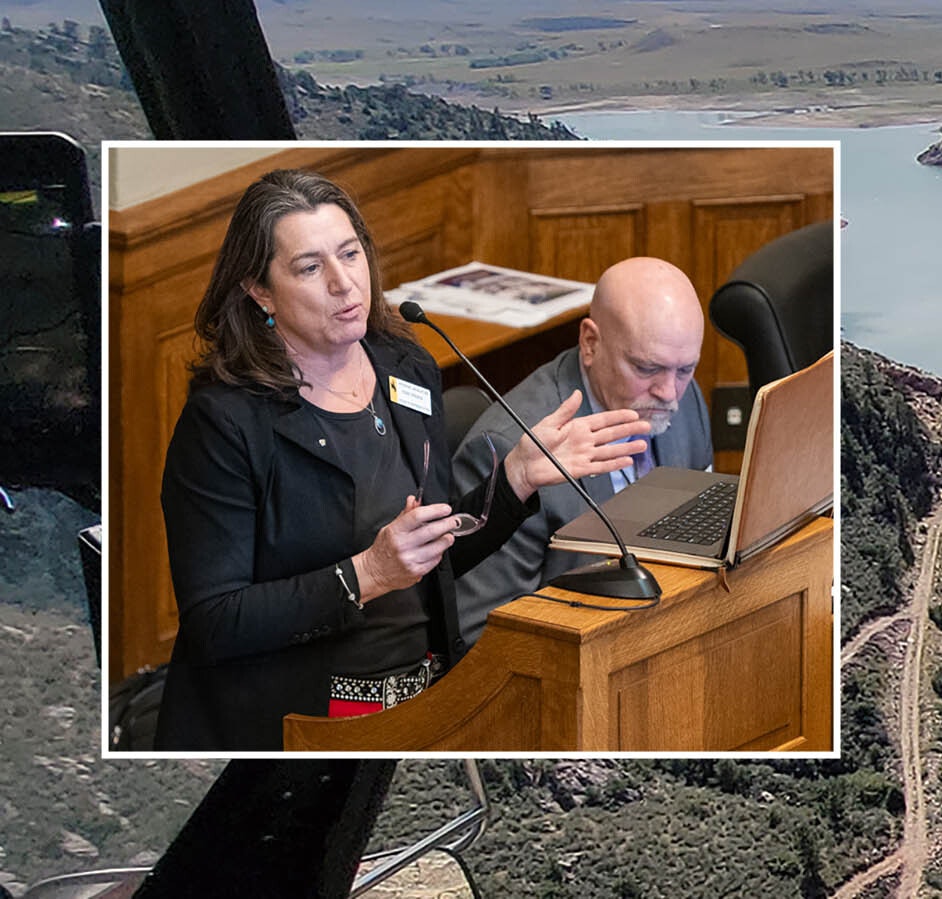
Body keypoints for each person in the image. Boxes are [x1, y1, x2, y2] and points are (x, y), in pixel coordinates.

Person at [155, 170, 650, 751]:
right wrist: (366, 576)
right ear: (259, 291)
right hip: (296, 720)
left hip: (422, 693)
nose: (345, 284)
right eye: (310, 268)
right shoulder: (225, 422)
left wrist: (515, 478)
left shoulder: (405, 366)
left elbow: (429, 558)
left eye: (350, 253)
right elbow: (215, 621)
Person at [451, 257, 713, 645]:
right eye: (645, 368)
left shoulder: (679, 394)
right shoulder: (509, 449)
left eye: (685, 369)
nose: (669, 392)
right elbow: (485, 639)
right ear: (590, 343)